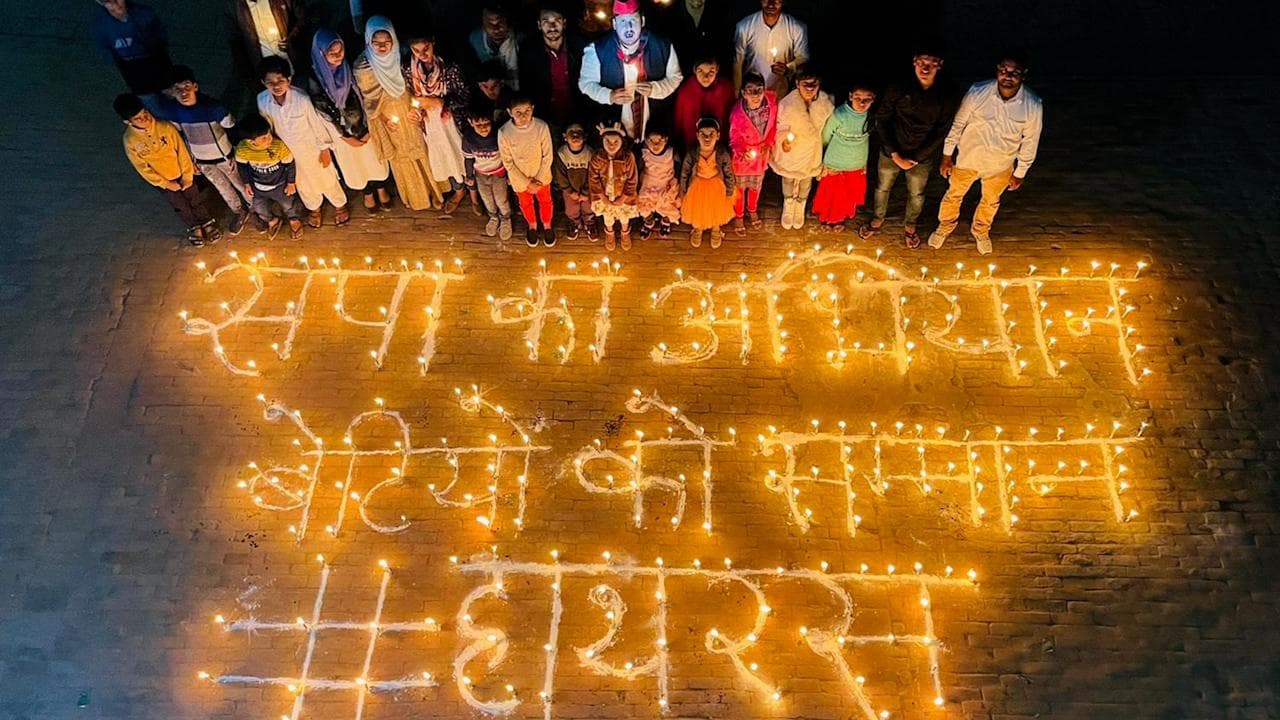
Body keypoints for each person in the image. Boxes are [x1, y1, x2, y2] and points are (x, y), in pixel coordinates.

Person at [929, 52, 1043, 255]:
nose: (1007, 76)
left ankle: (981, 230)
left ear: (1023, 75)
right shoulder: (978, 91)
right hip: (968, 158)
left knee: (990, 201)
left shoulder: (1032, 105)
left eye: (1014, 73)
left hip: (1001, 164)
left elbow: (1030, 141)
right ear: (998, 70)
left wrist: (1021, 172)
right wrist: (947, 155)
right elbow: (958, 123)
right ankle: (945, 226)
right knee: (953, 195)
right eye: (1004, 71)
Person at [865, 45, 955, 247]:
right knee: (882, 187)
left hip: (921, 155)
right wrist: (895, 154)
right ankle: (877, 219)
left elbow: (942, 130)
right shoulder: (898, 86)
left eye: (931, 64)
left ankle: (910, 225)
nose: (925, 68)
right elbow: (883, 118)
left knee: (916, 193)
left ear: (939, 65)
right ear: (915, 62)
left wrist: (917, 157)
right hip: (891, 150)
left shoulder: (946, 93)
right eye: (922, 62)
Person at [353, 16, 445, 210]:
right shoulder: (363, 65)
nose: (382, 47)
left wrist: (416, 107)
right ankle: (415, 196)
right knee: (402, 156)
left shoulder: (401, 54)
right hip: (387, 115)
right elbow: (370, 101)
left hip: (409, 108)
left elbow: (415, 81)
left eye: (387, 42)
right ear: (368, 40)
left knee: (422, 148)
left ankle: (436, 191)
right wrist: (385, 120)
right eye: (376, 43)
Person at [305, 28, 393, 214]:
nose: (338, 57)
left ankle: (380, 186)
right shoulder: (315, 78)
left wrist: (369, 127)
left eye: (340, 51)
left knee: (374, 159)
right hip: (341, 133)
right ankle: (367, 192)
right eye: (332, 54)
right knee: (356, 164)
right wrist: (345, 136)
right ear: (321, 54)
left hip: (363, 124)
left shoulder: (349, 68)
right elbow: (322, 110)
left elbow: (364, 95)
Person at [256, 56, 351, 227]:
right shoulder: (262, 100)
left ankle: (339, 204)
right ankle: (314, 207)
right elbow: (268, 128)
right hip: (287, 153)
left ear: (289, 79)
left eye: (280, 80)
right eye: (270, 82)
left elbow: (316, 123)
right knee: (302, 183)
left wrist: (324, 149)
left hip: (312, 148)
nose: (276, 86)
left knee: (326, 178)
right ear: (263, 82)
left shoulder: (301, 99)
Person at [159, 66, 253, 236]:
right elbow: (179, 137)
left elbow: (231, 126)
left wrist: (236, 151)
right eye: (178, 89)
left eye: (187, 87)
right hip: (202, 161)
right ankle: (239, 211)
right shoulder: (174, 112)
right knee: (222, 188)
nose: (183, 93)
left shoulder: (213, 107)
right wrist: (192, 161)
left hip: (225, 157)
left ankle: (256, 210)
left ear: (195, 86)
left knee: (241, 183)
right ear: (172, 92)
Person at [115, 93, 218, 245]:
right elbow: (142, 167)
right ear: (127, 122)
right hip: (164, 181)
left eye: (145, 113)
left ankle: (206, 222)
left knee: (195, 199)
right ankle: (194, 226)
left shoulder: (165, 127)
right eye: (138, 118)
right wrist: (165, 183)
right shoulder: (130, 140)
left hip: (183, 173)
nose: (145, 119)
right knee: (180, 205)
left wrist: (187, 175)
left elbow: (181, 150)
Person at [579, 0, 683, 142]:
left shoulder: (663, 46)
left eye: (633, 20)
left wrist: (656, 89)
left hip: (653, 130)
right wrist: (609, 96)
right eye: (622, 21)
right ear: (614, 24)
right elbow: (585, 83)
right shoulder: (596, 50)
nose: (628, 27)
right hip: (615, 131)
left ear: (642, 21)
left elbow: (675, 77)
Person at [404, 30, 471, 216]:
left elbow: (465, 96)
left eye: (426, 49)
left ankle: (472, 190)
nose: (422, 55)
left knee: (459, 154)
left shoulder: (449, 66)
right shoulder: (408, 69)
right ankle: (458, 190)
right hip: (430, 124)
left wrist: (440, 103)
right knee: (443, 156)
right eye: (416, 51)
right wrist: (415, 110)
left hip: (451, 121)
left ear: (433, 43)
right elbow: (411, 97)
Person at [770, 65, 833, 230]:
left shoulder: (825, 104)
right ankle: (788, 204)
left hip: (812, 150)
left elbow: (828, 130)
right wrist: (784, 141)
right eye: (806, 84)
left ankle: (800, 205)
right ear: (797, 83)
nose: (810, 88)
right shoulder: (787, 105)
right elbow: (779, 127)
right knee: (788, 177)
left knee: (806, 179)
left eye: (814, 84)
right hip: (792, 149)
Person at [812, 82, 875, 231]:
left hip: (856, 164)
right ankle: (826, 219)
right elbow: (826, 137)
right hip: (835, 162)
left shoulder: (871, 117)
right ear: (850, 96)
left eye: (867, 99)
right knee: (831, 194)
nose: (862, 102)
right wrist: (824, 159)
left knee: (846, 195)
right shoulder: (840, 114)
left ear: (873, 99)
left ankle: (839, 219)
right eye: (858, 97)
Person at [92, 0, 172, 113]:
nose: (114, 4)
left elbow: (161, 37)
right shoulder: (101, 24)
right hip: (134, 72)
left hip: (157, 62)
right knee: (153, 106)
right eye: (108, 1)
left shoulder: (144, 13)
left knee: (173, 99)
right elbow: (106, 50)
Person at [234, 113, 305, 239]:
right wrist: (246, 183)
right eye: (263, 138)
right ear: (251, 142)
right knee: (258, 207)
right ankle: (272, 220)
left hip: (280, 185)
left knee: (288, 204)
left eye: (268, 134)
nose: (269, 139)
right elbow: (242, 167)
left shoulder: (278, 146)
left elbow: (290, 164)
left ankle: (294, 219)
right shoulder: (243, 150)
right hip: (258, 186)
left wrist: (290, 182)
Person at [498, 96, 556, 247]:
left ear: (533, 109)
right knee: (526, 203)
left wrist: (539, 179)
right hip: (520, 180)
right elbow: (508, 162)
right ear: (510, 112)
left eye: (527, 111)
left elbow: (548, 155)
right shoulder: (504, 132)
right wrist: (526, 182)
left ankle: (547, 225)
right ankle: (532, 225)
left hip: (541, 177)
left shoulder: (541, 127)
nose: (523, 116)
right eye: (518, 112)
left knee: (546, 201)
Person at [518, 6, 584, 131]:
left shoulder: (578, 45)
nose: (552, 26)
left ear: (564, 23)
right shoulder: (529, 50)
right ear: (539, 25)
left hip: (578, 113)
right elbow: (526, 85)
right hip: (545, 115)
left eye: (557, 21)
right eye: (546, 22)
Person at [728, 72, 777, 235]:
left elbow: (773, 128)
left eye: (759, 90)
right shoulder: (737, 114)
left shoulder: (771, 104)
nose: (755, 95)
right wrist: (742, 151)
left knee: (756, 187)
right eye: (750, 90)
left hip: (760, 157)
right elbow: (734, 137)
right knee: (740, 189)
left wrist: (769, 143)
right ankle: (739, 215)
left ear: (765, 90)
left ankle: (752, 209)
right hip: (743, 159)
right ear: (743, 93)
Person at [679, 117, 736, 248]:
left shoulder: (721, 152)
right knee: (698, 208)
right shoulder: (693, 152)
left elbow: (728, 172)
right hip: (697, 185)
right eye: (703, 134)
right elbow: (685, 172)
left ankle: (716, 228)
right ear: (697, 135)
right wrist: (683, 190)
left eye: (711, 134)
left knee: (716, 208)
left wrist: (729, 190)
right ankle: (698, 227)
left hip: (716, 185)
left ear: (718, 136)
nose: (707, 138)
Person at [733, 0, 808, 96]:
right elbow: (737, 62)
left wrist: (788, 68)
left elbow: (803, 58)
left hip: (782, 92)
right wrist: (736, 92)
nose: (771, 4)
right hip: (752, 91)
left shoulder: (797, 28)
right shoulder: (744, 26)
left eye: (776, 0)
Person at [227, 0, 313, 82]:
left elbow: (304, 18)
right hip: (266, 72)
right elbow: (236, 40)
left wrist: (291, 37)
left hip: (295, 61)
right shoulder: (234, 7)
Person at [461, 107, 514, 241]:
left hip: (499, 173)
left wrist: (510, 175)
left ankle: (506, 218)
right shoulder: (468, 138)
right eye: (478, 125)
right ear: (470, 122)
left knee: (501, 199)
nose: (483, 128)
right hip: (481, 174)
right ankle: (493, 217)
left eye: (486, 124)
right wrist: (469, 176)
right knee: (487, 198)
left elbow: (508, 156)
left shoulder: (498, 135)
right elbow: (468, 158)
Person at [645, 0, 735, 74]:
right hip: (680, 78)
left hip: (713, 79)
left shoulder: (721, 10)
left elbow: (727, 47)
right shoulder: (669, 12)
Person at [588, 122, 640, 250]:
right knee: (608, 216)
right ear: (602, 141)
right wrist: (602, 197)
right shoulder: (597, 158)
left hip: (623, 195)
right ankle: (609, 233)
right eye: (608, 141)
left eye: (615, 141)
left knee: (624, 216)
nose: (612, 145)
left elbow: (632, 180)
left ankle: (624, 232)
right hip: (605, 195)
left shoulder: (628, 157)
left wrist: (623, 198)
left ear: (622, 141)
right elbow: (593, 178)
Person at [671, 54, 735, 153]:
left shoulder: (726, 89)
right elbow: (679, 121)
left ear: (717, 70)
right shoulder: (686, 91)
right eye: (700, 71)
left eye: (711, 72)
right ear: (694, 70)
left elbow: (732, 119)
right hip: (692, 148)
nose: (706, 77)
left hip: (719, 148)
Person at [552, 124, 595, 241]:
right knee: (571, 208)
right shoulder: (562, 154)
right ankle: (574, 222)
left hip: (588, 189)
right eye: (571, 131)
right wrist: (569, 191)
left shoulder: (590, 153)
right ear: (565, 137)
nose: (575, 134)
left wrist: (586, 191)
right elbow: (560, 175)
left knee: (589, 206)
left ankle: (589, 221)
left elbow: (593, 174)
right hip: (570, 189)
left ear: (585, 136)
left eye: (578, 131)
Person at [637, 125, 680, 238]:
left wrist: (676, 179)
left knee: (668, 203)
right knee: (643, 204)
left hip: (666, 182)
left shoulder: (671, 152)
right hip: (649, 183)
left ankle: (666, 220)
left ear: (666, 139)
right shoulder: (644, 153)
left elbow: (679, 166)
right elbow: (638, 167)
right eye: (652, 140)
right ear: (646, 140)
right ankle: (649, 221)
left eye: (659, 140)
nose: (655, 144)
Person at [469, 5, 521, 90]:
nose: (496, 29)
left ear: (507, 21)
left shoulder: (520, 40)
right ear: (483, 24)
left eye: (500, 23)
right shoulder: (475, 39)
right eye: (490, 24)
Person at [472, 60, 513, 124]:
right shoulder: (477, 103)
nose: (490, 91)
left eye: (494, 86)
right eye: (485, 87)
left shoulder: (511, 99)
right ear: (480, 87)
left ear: (501, 83)